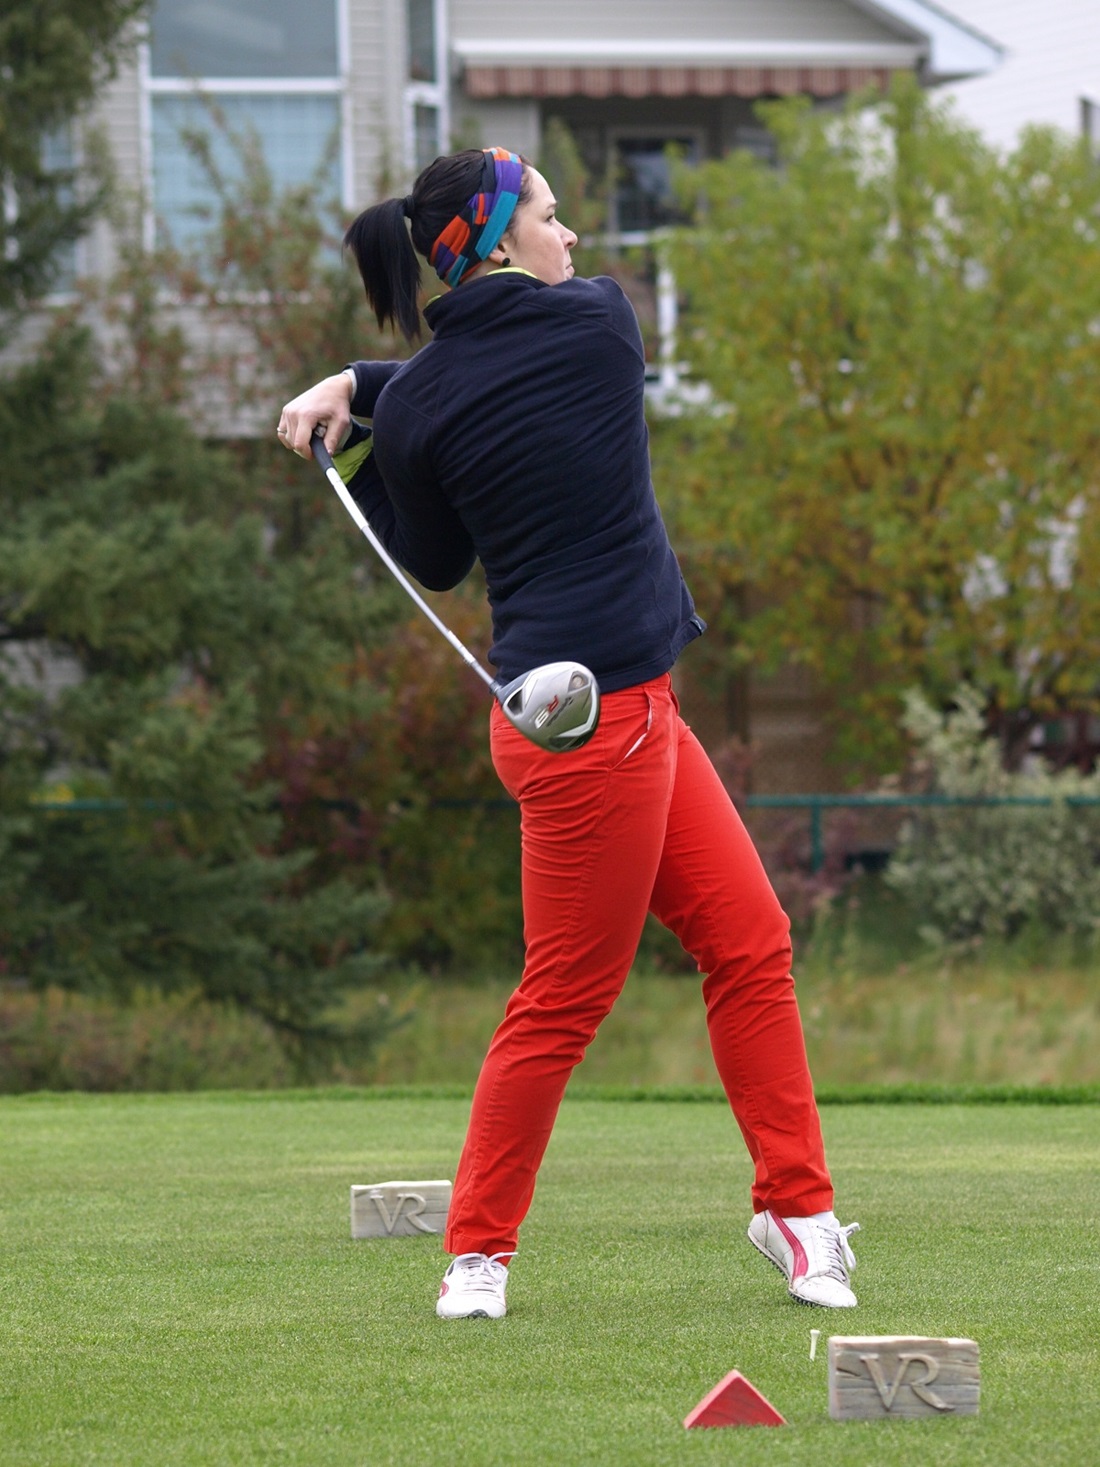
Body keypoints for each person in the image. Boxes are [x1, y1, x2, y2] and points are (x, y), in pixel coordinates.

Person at [278, 146, 860, 1320]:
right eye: (551, 215)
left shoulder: (434, 400)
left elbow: (434, 554)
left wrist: (360, 410)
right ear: (497, 241)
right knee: (563, 999)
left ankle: (794, 1213)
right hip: (596, 737)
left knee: (748, 945)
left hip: (621, 711)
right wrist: (366, 388)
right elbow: (495, 363)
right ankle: (476, 1256)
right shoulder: (601, 327)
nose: (574, 241)